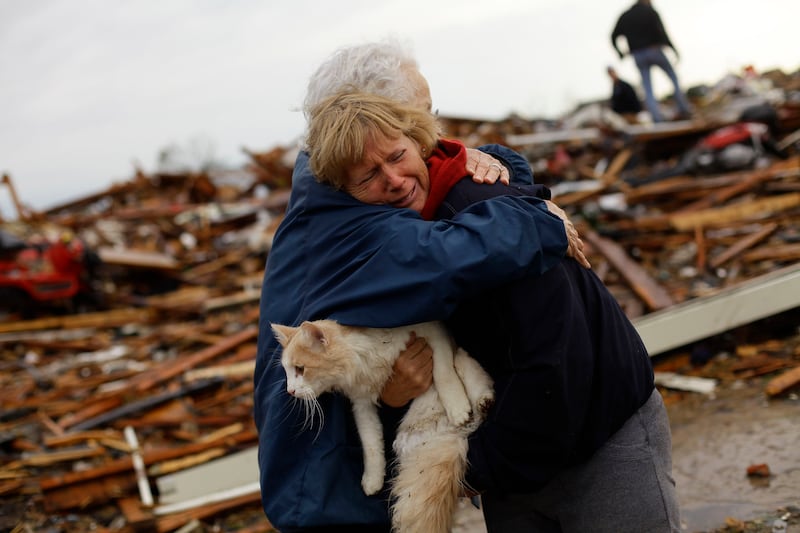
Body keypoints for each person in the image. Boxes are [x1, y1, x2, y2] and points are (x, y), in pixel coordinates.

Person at [305, 90, 682, 533]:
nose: (392, 178)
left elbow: (555, 360)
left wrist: (478, 467)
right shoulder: (389, 247)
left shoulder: (482, 207)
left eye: (396, 156)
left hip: (603, 441)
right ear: (345, 193)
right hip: (515, 461)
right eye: (368, 175)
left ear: (418, 141)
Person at [254, 41, 585, 532]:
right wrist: (540, 218)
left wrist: (495, 161)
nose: (432, 133)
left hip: (335, 473)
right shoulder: (346, 218)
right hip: (327, 489)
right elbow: (450, 257)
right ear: (365, 120)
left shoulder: (331, 188)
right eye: (421, 114)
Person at [611, 0, 692, 122]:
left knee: (648, 88)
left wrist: (621, 53)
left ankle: (656, 118)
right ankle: (684, 109)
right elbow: (663, 32)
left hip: (638, 55)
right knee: (673, 79)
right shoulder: (650, 11)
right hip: (655, 50)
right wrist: (673, 49)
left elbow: (613, 36)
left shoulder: (625, 16)